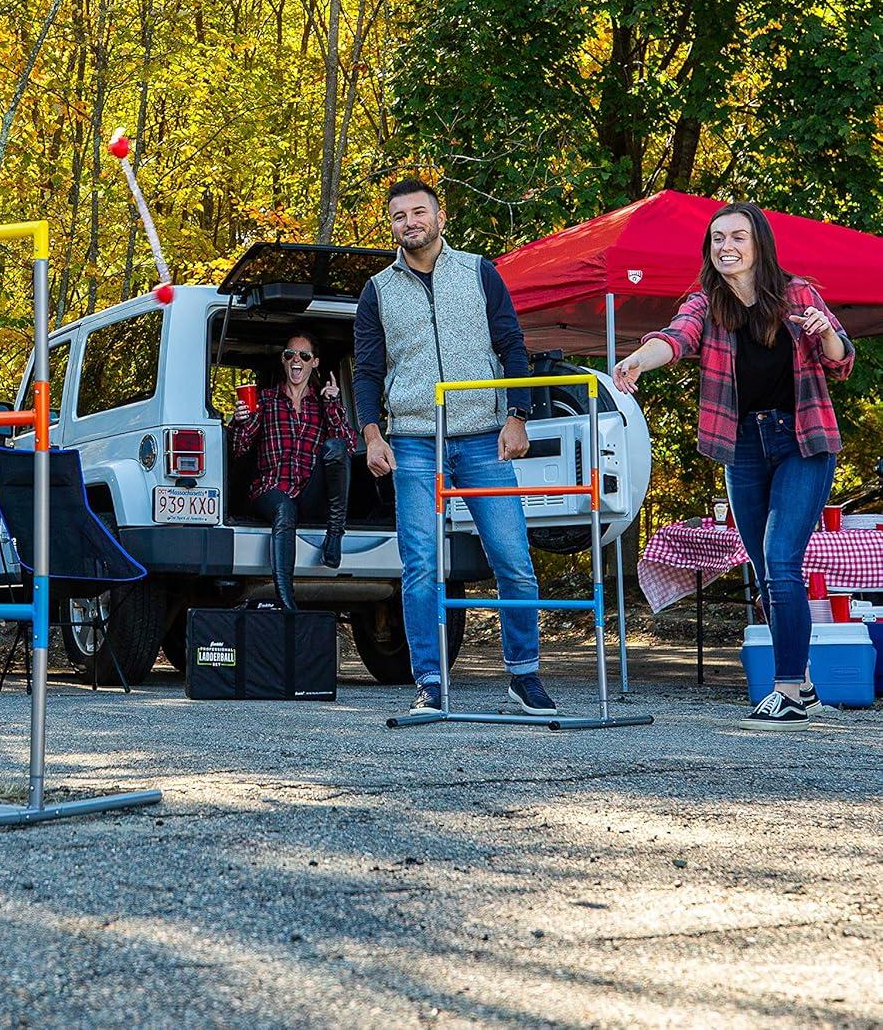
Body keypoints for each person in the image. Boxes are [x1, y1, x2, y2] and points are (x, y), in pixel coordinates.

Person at [613, 201, 853, 731]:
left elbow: (840, 358)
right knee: (766, 571)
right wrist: (636, 360)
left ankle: (787, 691)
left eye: (737, 237)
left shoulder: (799, 295)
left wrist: (825, 331)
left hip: (803, 440)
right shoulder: (705, 303)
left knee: (780, 557)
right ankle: (805, 683)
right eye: (718, 239)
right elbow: (674, 339)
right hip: (742, 445)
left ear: (758, 244)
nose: (726, 247)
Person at [353, 178, 557, 716]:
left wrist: (517, 417)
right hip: (414, 438)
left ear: (440, 217)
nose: (409, 222)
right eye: (399, 215)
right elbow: (368, 371)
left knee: (512, 557)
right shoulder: (377, 289)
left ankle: (524, 676)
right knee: (420, 562)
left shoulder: (478, 271)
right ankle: (429, 682)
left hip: (482, 436)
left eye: (419, 212)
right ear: (391, 225)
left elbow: (512, 344)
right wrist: (372, 434)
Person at [231, 332, 355, 611]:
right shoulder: (265, 399)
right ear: (283, 361)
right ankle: (287, 602)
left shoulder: (322, 404)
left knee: (334, 447)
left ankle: (335, 535)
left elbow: (347, 447)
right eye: (290, 355)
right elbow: (239, 449)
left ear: (315, 363)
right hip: (270, 490)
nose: (296, 360)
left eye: (304, 356)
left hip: (308, 493)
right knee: (284, 509)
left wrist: (333, 405)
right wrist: (242, 420)